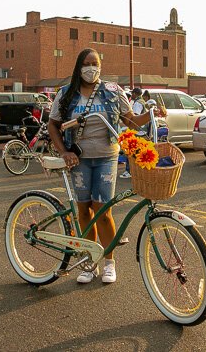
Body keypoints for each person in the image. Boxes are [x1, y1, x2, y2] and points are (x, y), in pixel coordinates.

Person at [48, 48, 165, 284]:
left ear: (101, 66)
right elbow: (53, 125)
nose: (91, 68)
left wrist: (153, 113)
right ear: (79, 67)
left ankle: (109, 261)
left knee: (102, 210)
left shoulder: (112, 91)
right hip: (78, 159)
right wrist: (65, 151)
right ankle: (90, 262)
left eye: (95, 63)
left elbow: (129, 119)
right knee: (84, 210)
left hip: (106, 157)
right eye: (87, 63)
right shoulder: (66, 93)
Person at [120, 88, 146, 179]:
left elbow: (134, 119)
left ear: (135, 94)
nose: (131, 96)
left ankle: (129, 171)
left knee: (130, 151)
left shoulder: (138, 103)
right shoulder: (142, 101)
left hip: (137, 132)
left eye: (132, 94)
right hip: (142, 131)